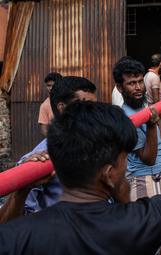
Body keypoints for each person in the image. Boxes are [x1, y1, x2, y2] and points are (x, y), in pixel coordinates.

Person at [0, 100, 161, 254]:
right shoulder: (141, 222)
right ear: (109, 175)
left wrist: (20, 191)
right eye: (124, 159)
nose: (127, 168)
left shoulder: (18, 236)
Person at [0, 76, 98, 224]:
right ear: (63, 108)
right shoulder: (38, 160)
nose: (94, 114)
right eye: (87, 107)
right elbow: (9, 224)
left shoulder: (98, 146)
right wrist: (21, 191)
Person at [113, 57, 161, 254]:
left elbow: (156, 139)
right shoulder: (127, 118)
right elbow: (148, 157)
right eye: (131, 83)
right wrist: (151, 124)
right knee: (153, 241)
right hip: (145, 178)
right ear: (120, 88)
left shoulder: (142, 108)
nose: (138, 87)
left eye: (139, 81)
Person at [38, 72, 62, 137]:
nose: (51, 88)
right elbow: (44, 131)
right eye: (48, 85)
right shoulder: (44, 106)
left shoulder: (68, 101)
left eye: (53, 85)